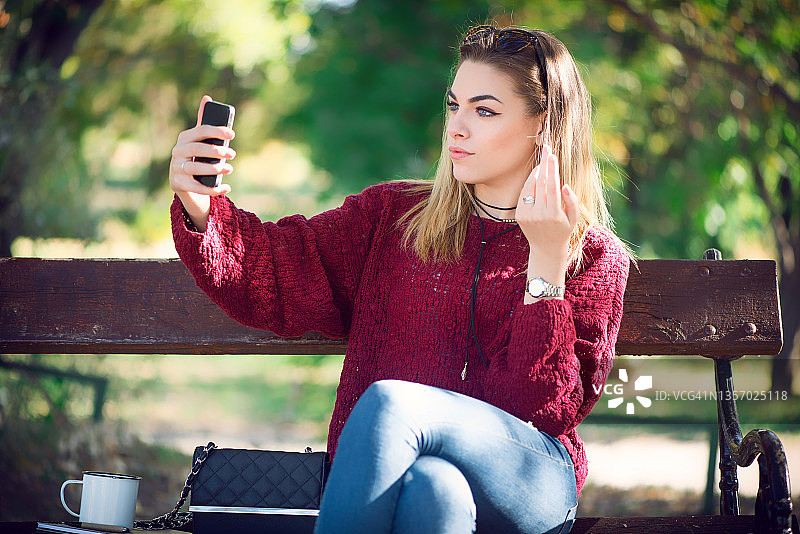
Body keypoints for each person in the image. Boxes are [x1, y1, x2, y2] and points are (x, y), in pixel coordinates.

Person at [169, 23, 629, 534]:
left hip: (527, 482)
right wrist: (200, 205)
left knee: (392, 403)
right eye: (453, 106)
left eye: (484, 111)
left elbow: (540, 409)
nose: (457, 127)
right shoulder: (393, 217)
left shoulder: (593, 256)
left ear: (542, 125)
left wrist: (545, 259)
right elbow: (278, 271)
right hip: (412, 483)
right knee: (433, 489)